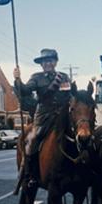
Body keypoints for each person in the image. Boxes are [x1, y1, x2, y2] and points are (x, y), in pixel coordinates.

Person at [13, 48, 72, 188]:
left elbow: (70, 95)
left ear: (55, 62)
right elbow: (25, 90)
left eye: (50, 60)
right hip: (44, 116)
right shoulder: (36, 77)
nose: (47, 64)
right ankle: (31, 174)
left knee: (81, 136)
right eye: (45, 61)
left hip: (63, 116)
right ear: (41, 64)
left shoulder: (63, 77)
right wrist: (17, 79)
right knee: (32, 142)